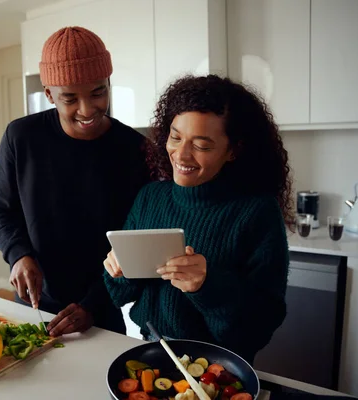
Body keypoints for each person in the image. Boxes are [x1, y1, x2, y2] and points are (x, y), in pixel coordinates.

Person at [103, 74, 292, 363]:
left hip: (219, 365)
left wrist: (207, 285)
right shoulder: (151, 197)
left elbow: (261, 325)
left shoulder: (257, 212)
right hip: (150, 353)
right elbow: (117, 295)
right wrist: (117, 267)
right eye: (175, 137)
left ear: (233, 151)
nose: (181, 154)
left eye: (202, 146)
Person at [0, 26, 149, 337]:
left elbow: (137, 242)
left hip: (101, 308)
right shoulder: (21, 137)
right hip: (32, 301)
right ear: (49, 94)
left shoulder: (134, 149)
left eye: (98, 92)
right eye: (70, 98)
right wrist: (17, 254)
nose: (87, 109)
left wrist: (93, 304)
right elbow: (0, 209)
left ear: (108, 83)